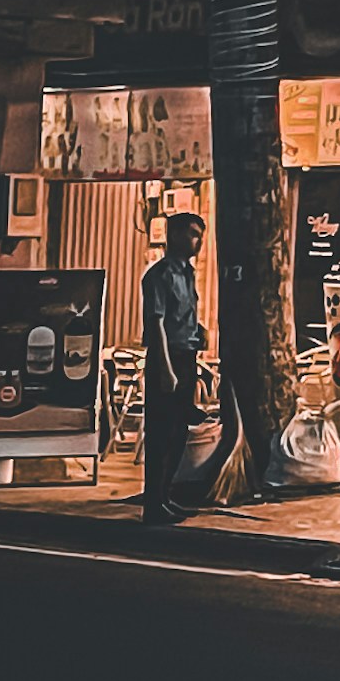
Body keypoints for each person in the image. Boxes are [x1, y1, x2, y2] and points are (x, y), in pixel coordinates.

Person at [140, 210, 209, 525]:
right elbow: (157, 325)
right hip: (166, 358)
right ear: (175, 235)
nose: (197, 242)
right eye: (192, 234)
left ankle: (166, 496)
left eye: (199, 235)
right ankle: (153, 503)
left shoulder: (188, 274)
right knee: (160, 433)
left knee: (180, 431)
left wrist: (200, 330)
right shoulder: (159, 275)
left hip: (187, 354)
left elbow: (183, 315)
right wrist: (166, 368)